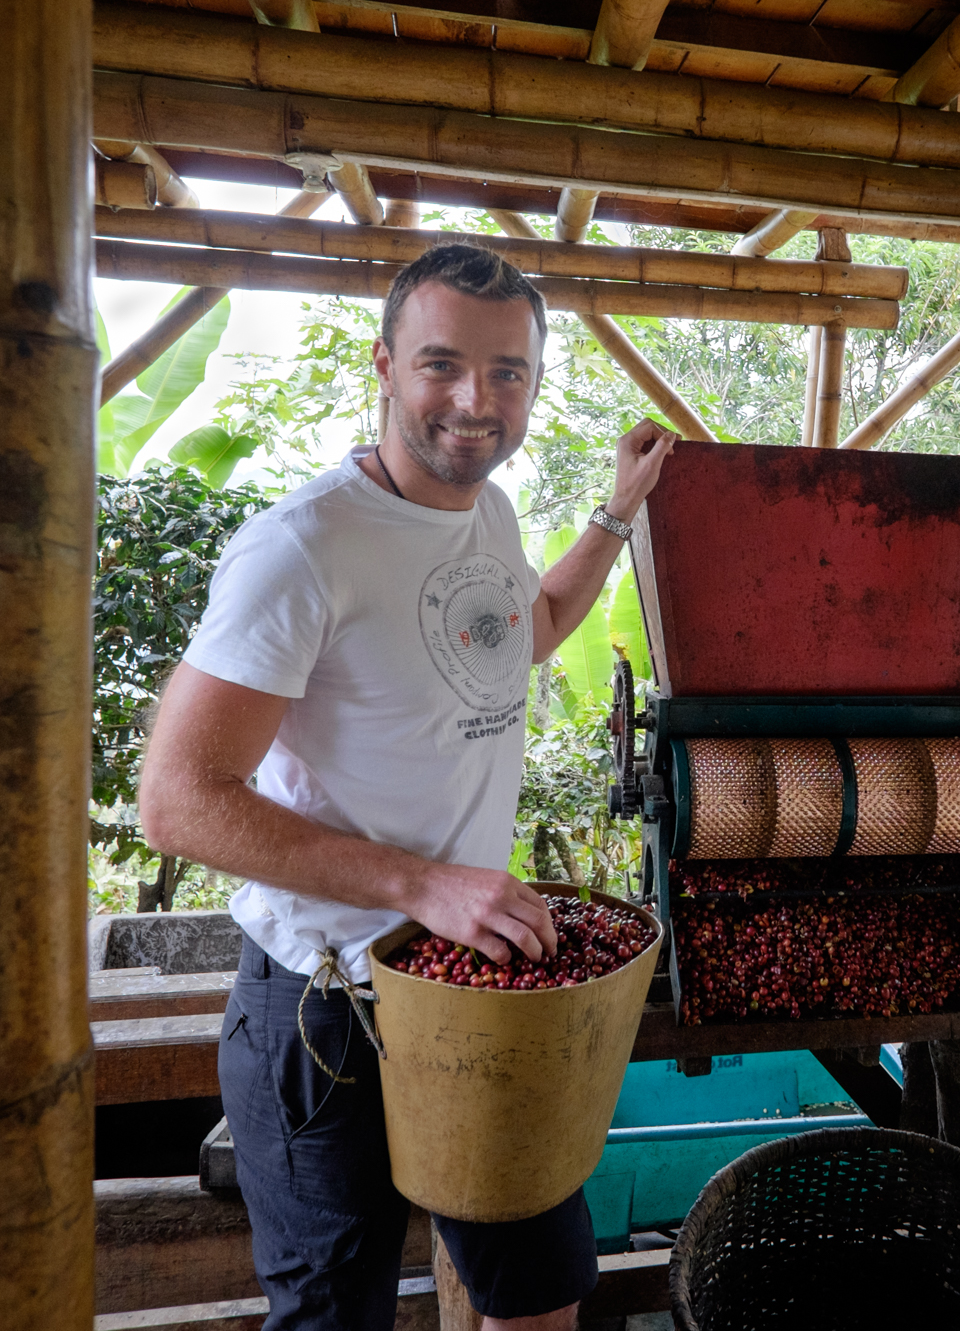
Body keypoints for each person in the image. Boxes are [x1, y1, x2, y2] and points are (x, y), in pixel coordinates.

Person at [140, 245, 676, 1331]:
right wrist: (425, 885)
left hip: (474, 986)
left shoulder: (490, 514)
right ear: (385, 365)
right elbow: (181, 799)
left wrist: (618, 511)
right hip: (324, 1011)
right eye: (442, 365)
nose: (477, 401)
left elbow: (530, 636)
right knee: (340, 1316)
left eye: (508, 372)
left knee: (536, 1298)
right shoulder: (302, 548)